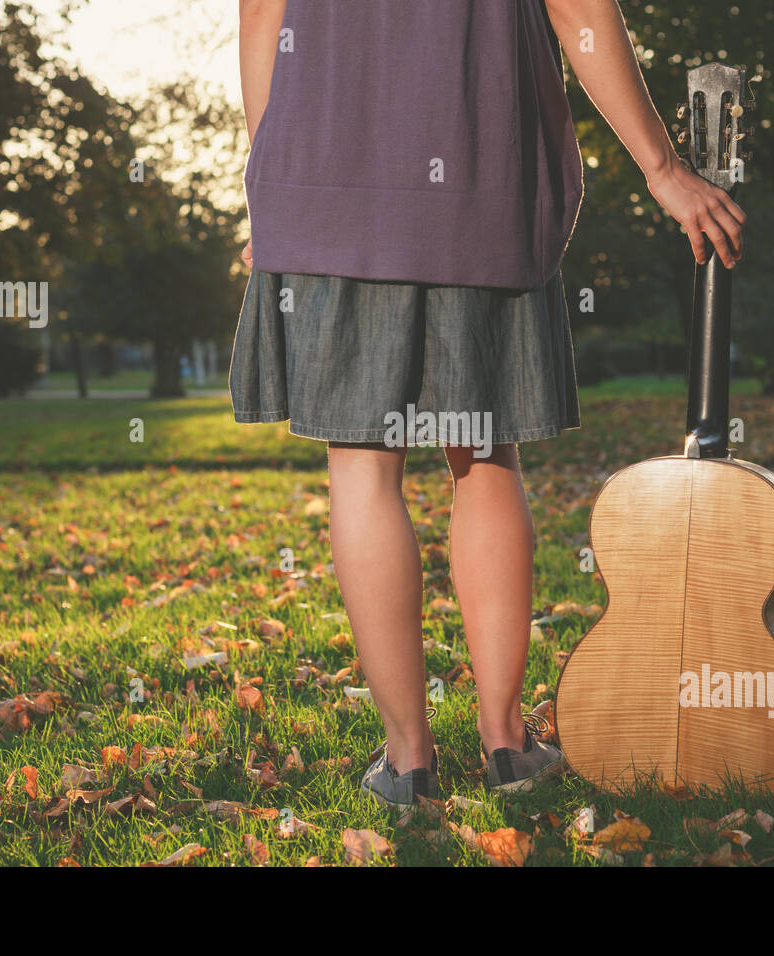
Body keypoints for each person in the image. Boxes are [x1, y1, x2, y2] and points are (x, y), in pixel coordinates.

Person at [231, 0, 744, 807]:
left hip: (329, 179)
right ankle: (506, 744)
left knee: (361, 470)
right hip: (478, 167)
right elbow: (576, 9)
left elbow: (262, 14)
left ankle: (409, 762)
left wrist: (275, 181)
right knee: (483, 454)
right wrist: (660, 165)